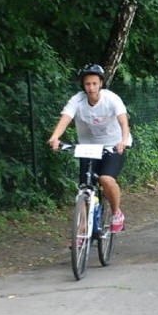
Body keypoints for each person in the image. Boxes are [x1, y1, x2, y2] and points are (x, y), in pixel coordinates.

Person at [47, 63, 131, 233]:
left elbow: (123, 121)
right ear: (83, 85)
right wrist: (55, 137)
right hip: (89, 148)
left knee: (106, 179)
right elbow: (65, 119)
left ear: (101, 83)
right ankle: (82, 232)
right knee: (85, 188)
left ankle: (116, 213)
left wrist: (122, 140)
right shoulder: (77, 100)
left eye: (94, 83)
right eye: (87, 84)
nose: (91, 88)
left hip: (113, 145)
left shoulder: (111, 98)